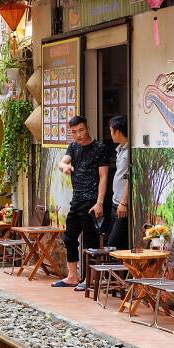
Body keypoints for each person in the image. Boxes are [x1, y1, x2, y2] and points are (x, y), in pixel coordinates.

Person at [52, 115, 109, 288]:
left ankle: (89, 280)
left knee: (91, 241)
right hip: (76, 200)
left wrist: (99, 202)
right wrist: (65, 167)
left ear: (87, 128)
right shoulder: (73, 147)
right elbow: (62, 162)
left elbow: (103, 176)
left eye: (81, 130)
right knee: (69, 238)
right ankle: (72, 276)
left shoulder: (100, 148)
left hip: (91, 200)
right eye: (74, 132)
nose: (78, 135)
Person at [107, 115, 129, 249]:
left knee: (113, 243)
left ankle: (120, 270)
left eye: (111, 131)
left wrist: (124, 202)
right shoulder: (120, 150)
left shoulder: (129, 153)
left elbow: (130, 178)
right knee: (117, 244)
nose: (110, 134)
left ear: (118, 132)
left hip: (122, 204)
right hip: (116, 203)